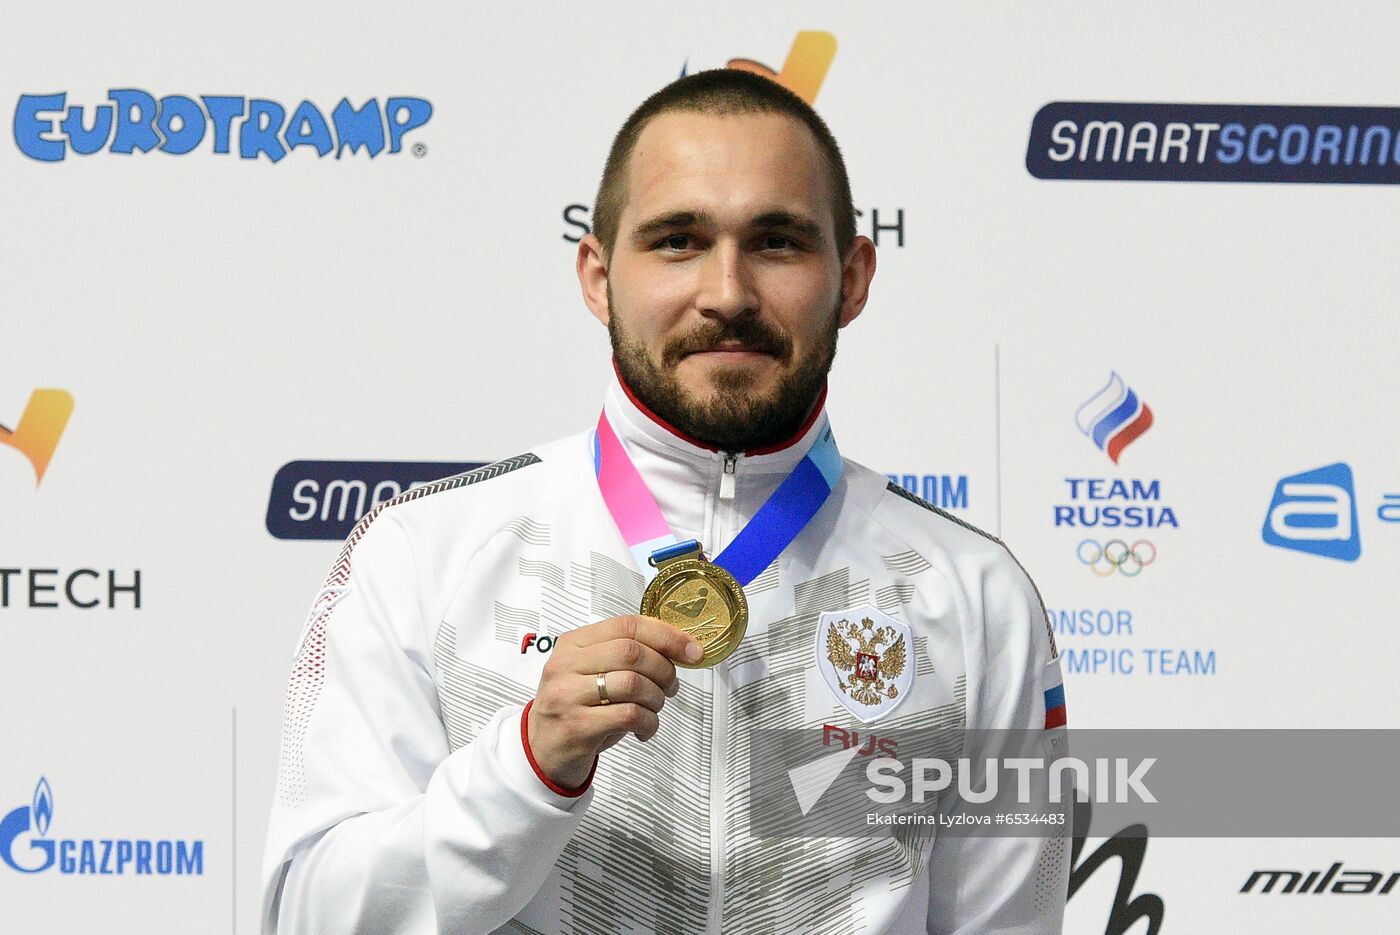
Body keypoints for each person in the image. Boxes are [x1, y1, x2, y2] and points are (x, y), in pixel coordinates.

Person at [260, 68, 1069, 934]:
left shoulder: (974, 595)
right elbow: (309, 913)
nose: (726, 292)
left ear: (855, 278)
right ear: (600, 277)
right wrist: (525, 767)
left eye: (778, 242)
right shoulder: (425, 550)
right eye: (679, 240)